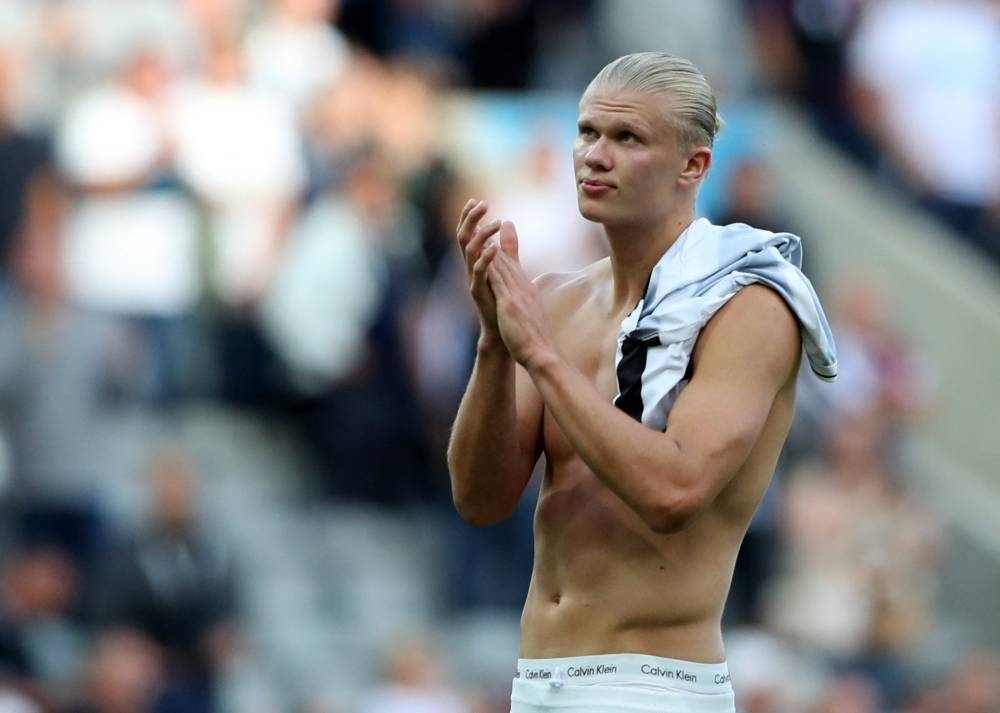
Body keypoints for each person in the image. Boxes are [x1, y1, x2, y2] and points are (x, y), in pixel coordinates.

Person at [447, 52, 837, 713]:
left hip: (653, 684)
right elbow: (480, 499)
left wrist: (538, 355)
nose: (595, 155)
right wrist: (492, 345)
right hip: (537, 679)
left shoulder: (746, 302)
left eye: (627, 138)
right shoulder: (557, 301)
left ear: (694, 166)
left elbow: (673, 489)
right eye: (587, 132)